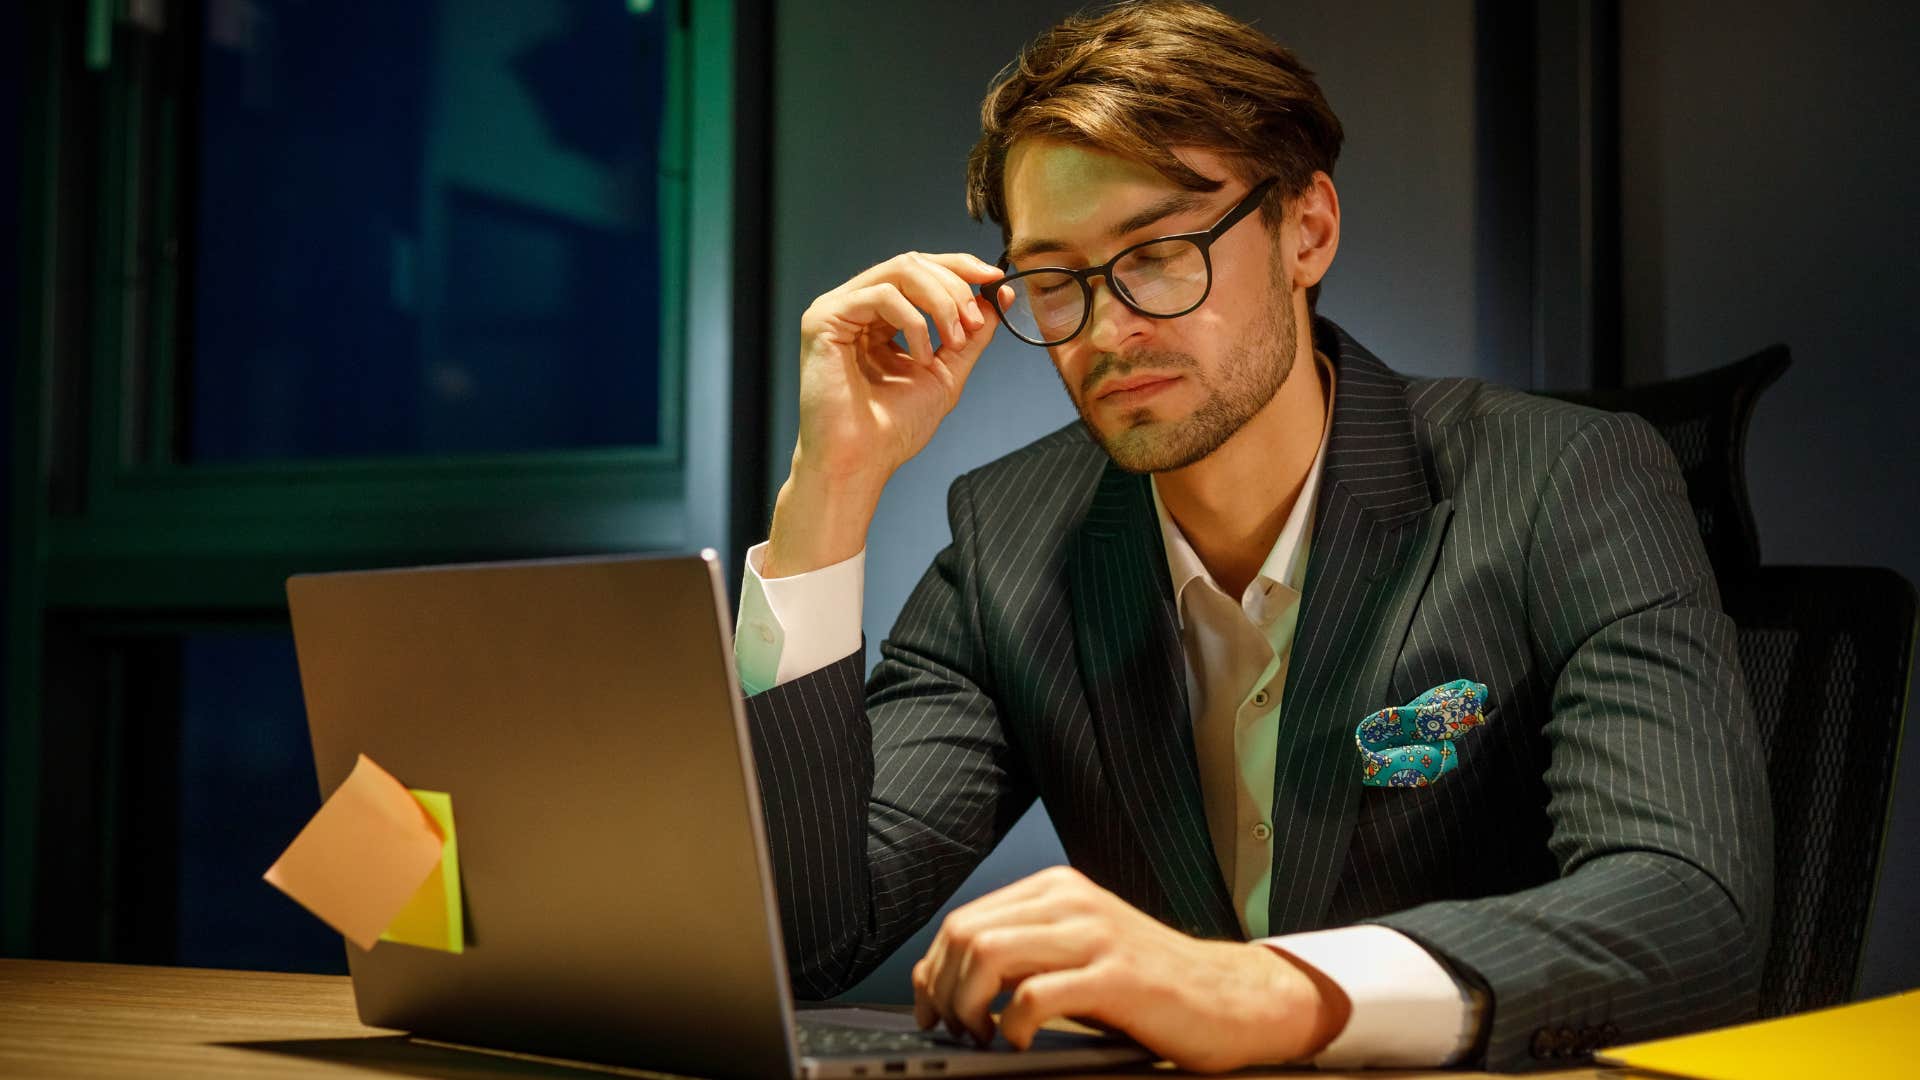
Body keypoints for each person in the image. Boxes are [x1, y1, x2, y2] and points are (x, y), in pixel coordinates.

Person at [732, 1, 1770, 1071]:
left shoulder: (1562, 480)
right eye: (1053, 281)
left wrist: (1275, 991)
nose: (1110, 326)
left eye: (1162, 251)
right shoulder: (1013, 540)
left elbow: (1688, 912)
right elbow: (805, 942)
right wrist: (830, 488)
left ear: (1305, 229)